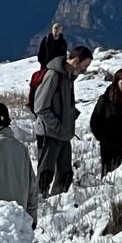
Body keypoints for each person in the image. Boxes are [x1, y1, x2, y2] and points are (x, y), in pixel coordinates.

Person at [31, 43, 93, 196]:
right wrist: (57, 125)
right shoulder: (53, 76)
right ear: (76, 61)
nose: (85, 70)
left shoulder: (68, 78)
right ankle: (40, 204)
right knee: (46, 174)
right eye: (85, 65)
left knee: (65, 174)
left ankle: (57, 204)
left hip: (63, 134)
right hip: (49, 134)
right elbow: (40, 107)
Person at [29, 23, 68, 109]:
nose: (55, 30)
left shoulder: (63, 42)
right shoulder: (46, 40)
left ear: (61, 31)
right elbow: (41, 53)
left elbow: (63, 56)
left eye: (58, 29)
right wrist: (44, 64)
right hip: (45, 67)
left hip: (57, 69)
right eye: (54, 28)